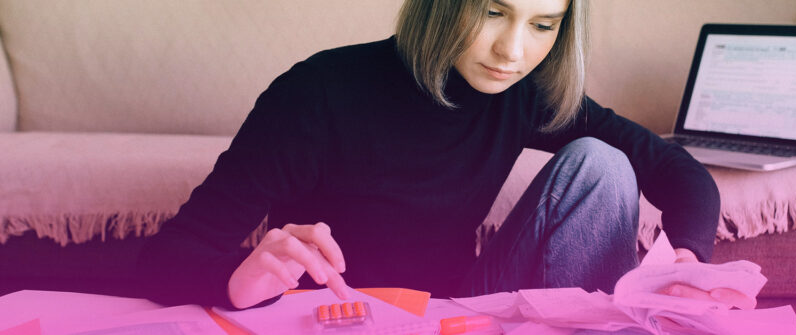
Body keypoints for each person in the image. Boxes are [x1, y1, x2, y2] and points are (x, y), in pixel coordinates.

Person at [138, 0, 754, 311]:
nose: (513, 50)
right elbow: (164, 258)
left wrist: (687, 264)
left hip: (461, 311)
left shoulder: (524, 93)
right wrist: (237, 276)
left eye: (543, 24)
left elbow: (677, 171)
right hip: (335, 317)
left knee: (604, 164)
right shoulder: (316, 93)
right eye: (491, 10)